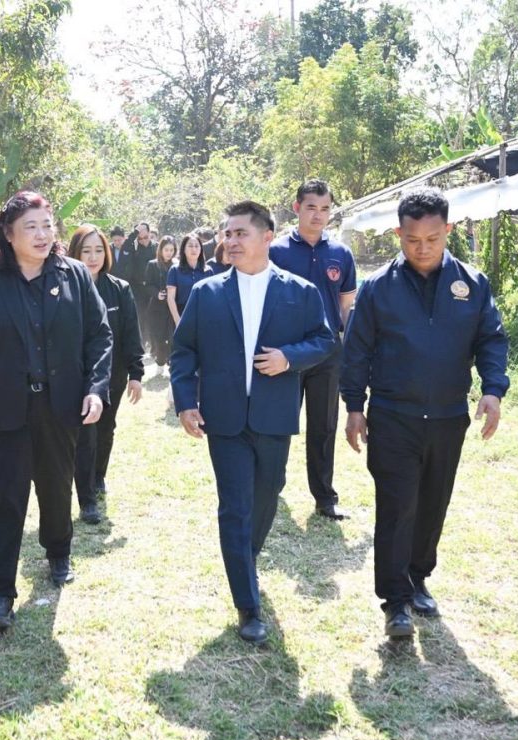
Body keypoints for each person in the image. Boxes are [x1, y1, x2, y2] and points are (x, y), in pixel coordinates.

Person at [340, 186, 509, 639]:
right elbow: (356, 351)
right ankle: (395, 602)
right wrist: (354, 407)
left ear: (447, 230)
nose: (422, 248)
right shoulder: (378, 288)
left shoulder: (471, 285)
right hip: (393, 415)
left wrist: (493, 390)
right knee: (397, 506)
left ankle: (418, 578)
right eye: (412, 240)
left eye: (432, 239)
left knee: (433, 504)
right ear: (398, 234)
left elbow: (491, 339)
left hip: (449, 416)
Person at [171, 201, 335, 645]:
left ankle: (246, 556)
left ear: (267, 237)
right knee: (235, 507)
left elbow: (324, 340)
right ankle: (248, 605)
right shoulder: (206, 293)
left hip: (274, 415)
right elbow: (184, 351)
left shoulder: (300, 291)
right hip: (224, 419)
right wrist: (185, 402)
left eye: (240, 233)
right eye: (227, 233)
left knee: (268, 492)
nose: (231, 241)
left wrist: (289, 358)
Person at [0, 191, 113, 633]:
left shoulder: (73, 275)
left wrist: (96, 389)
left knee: (56, 485)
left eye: (47, 225)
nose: (42, 235)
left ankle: (58, 550)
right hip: (2, 408)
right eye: (30, 227)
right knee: (4, 498)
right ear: (8, 234)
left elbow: (99, 336)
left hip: (60, 405)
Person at [268, 179, 358, 521]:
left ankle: (324, 497)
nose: (318, 215)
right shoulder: (276, 251)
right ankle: (271, 487)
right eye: (311, 208)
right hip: (286, 352)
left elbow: (346, 306)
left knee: (324, 426)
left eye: (324, 209)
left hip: (327, 352)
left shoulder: (341, 254)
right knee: (279, 422)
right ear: (297, 208)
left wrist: (351, 347)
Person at [66, 224, 144, 523]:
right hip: (75, 375)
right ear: (74, 253)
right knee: (85, 434)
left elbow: (130, 333)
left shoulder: (119, 289)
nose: (92, 257)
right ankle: (87, 499)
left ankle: (98, 475)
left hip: (112, 374)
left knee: (105, 429)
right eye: (86, 250)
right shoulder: (64, 288)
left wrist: (136, 373)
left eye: (99, 250)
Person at [144, 235, 178, 372]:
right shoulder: (152, 264)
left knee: (172, 337)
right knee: (159, 338)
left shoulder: (176, 265)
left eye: (171, 250)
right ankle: (160, 362)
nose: (169, 253)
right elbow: (147, 285)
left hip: (173, 307)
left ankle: (171, 364)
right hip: (157, 308)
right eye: (166, 250)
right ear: (161, 250)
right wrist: (156, 293)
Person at [165, 232, 213, 326]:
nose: (194, 249)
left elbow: (211, 298)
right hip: (182, 316)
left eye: (197, 246)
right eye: (190, 246)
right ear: (183, 249)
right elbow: (170, 298)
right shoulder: (175, 270)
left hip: (204, 317)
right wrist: (178, 321)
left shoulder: (208, 271)